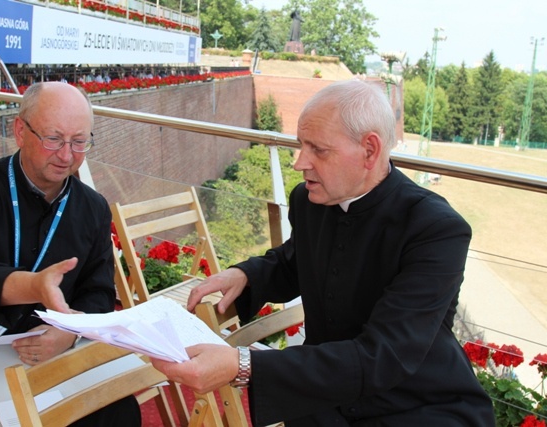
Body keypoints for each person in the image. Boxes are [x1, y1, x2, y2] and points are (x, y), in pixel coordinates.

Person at [152, 80, 496, 426]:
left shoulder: (436, 229)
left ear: (370, 150)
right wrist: (244, 274)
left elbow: (385, 355)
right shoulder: (309, 199)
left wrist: (243, 364)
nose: (300, 163)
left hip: (416, 405)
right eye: (301, 145)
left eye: (319, 150)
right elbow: (297, 262)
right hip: (323, 399)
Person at [0, 82, 141, 425]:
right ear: (20, 130)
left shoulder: (92, 208)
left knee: (118, 413)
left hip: (42, 354)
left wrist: (71, 331)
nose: (66, 155)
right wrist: (35, 286)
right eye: (53, 139)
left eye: (79, 142)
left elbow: (99, 292)